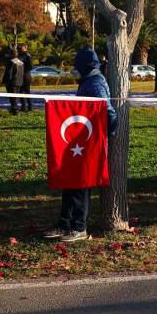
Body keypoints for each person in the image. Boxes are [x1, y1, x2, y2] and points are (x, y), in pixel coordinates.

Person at [44, 48, 119, 241]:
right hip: (77, 141)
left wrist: (108, 132)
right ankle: (64, 223)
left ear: (83, 66)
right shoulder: (89, 80)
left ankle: (79, 227)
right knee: (70, 183)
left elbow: (109, 112)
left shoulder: (95, 83)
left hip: (87, 144)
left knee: (81, 186)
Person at [4, 48, 25, 115]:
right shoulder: (20, 62)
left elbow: (9, 73)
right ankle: (14, 109)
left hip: (12, 82)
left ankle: (15, 111)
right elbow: (22, 73)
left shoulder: (11, 61)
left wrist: (6, 82)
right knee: (16, 97)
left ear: (11, 54)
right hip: (19, 82)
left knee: (12, 97)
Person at [18, 44, 33, 111]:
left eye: (22, 48)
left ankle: (30, 107)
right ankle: (23, 107)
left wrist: (22, 66)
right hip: (21, 75)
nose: (20, 48)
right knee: (20, 91)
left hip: (26, 76)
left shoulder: (28, 55)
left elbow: (30, 66)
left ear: (25, 48)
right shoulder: (20, 55)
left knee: (27, 92)